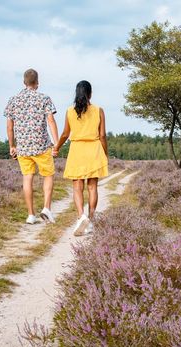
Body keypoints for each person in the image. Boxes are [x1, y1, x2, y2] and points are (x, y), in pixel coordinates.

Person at [5, 68, 59, 224]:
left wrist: (12, 145)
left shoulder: (13, 100)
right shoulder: (44, 99)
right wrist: (56, 143)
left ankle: (30, 215)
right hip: (42, 145)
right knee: (48, 175)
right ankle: (47, 208)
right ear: (37, 83)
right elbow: (51, 121)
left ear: (24, 82)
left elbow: (10, 126)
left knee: (27, 178)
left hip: (23, 146)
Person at [53, 80, 108, 236]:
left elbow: (65, 134)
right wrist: (105, 153)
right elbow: (102, 135)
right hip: (94, 149)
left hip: (77, 150)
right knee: (92, 187)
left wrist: (56, 147)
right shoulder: (99, 110)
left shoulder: (70, 111)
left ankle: (80, 216)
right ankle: (90, 219)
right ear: (90, 93)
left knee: (77, 187)